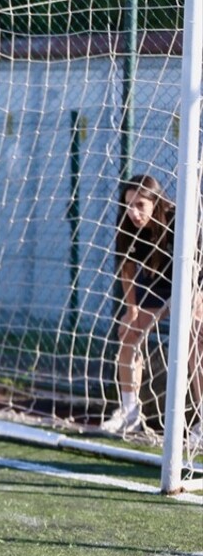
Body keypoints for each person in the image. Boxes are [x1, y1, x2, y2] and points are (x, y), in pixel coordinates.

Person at [100, 173, 203, 435]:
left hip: (194, 284)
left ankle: (202, 421)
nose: (133, 212)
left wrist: (195, 302)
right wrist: (131, 309)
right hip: (159, 287)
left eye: (140, 205)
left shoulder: (180, 221)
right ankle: (130, 414)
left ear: (155, 203)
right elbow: (126, 268)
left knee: (195, 341)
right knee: (128, 337)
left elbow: (198, 266)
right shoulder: (128, 225)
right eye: (128, 205)